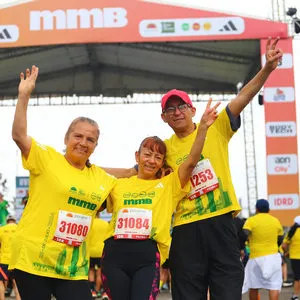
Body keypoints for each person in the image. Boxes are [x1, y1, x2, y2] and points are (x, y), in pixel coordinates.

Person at [159, 37, 283, 300]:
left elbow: (244, 96)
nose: (177, 112)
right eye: (170, 109)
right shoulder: (164, 149)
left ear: (192, 110)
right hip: (185, 227)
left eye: (181, 106)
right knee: (188, 293)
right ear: (164, 118)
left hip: (221, 224)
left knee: (227, 291)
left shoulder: (216, 128)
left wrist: (267, 68)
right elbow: (140, 173)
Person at [9, 65, 117, 300]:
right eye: (78, 136)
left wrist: (135, 169)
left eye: (90, 139)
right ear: (66, 138)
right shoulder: (46, 158)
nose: (83, 142)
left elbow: (127, 179)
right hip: (33, 259)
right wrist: (24, 95)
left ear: (95, 146)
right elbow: (18, 135)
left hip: (73, 268)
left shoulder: (100, 178)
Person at [101, 100, 220, 300]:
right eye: (147, 155)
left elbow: (191, 161)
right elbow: (94, 175)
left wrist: (203, 130)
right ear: (137, 156)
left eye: (158, 157)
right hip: (114, 254)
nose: (151, 161)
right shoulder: (118, 185)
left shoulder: (168, 184)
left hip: (147, 255)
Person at [242, 199, 284, 300]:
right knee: (274, 285)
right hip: (273, 257)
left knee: (253, 285)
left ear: (256, 209)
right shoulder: (276, 221)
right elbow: (280, 238)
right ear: (269, 209)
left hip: (255, 258)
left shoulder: (251, 220)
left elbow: (244, 235)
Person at [88, 213, 109, 299]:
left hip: (91, 251)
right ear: (99, 214)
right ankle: (101, 291)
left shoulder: (90, 223)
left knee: (91, 270)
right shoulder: (105, 224)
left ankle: (93, 291)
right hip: (101, 251)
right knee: (100, 272)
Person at [0, 215, 21, 300]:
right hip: (16, 261)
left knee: (1, 282)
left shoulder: (1, 229)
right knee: (16, 284)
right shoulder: (19, 229)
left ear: (7, 221)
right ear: (14, 221)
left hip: (3, 260)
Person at [281, 216, 300, 300]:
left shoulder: (292, 232)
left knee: (297, 277)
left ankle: (295, 296)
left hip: (295, 257)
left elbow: (284, 245)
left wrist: (287, 252)